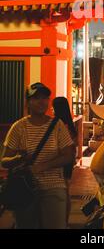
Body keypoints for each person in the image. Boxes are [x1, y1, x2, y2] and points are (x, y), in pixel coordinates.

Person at [1, 83, 75, 229]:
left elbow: (69, 156)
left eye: (45, 98)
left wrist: (42, 166)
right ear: (28, 102)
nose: (42, 102)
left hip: (53, 186)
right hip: (25, 188)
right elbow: (4, 161)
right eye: (36, 98)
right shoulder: (19, 127)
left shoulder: (57, 125)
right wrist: (18, 159)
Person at [52, 96, 78, 226]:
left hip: (60, 160)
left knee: (62, 192)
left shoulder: (58, 123)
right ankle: (65, 221)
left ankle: (62, 221)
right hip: (69, 160)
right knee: (66, 190)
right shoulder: (70, 122)